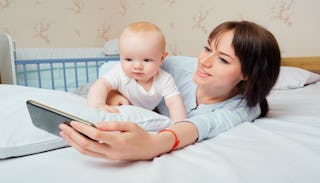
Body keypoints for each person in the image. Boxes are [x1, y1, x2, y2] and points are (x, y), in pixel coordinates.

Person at [59, 20, 281, 161]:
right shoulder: (182, 67)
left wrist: (153, 145)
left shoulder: (244, 108)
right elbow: (112, 68)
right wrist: (115, 93)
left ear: (247, 73)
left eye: (223, 59)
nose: (204, 61)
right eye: (207, 49)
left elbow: (200, 126)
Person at [87, 21, 187, 122]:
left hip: (142, 113)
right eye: (129, 59)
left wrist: (179, 125)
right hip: (119, 106)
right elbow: (101, 84)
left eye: (147, 60)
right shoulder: (119, 73)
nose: (138, 66)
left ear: (161, 58)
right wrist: (98, 104)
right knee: (114, 100)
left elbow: (174, 103)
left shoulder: (165, 79)